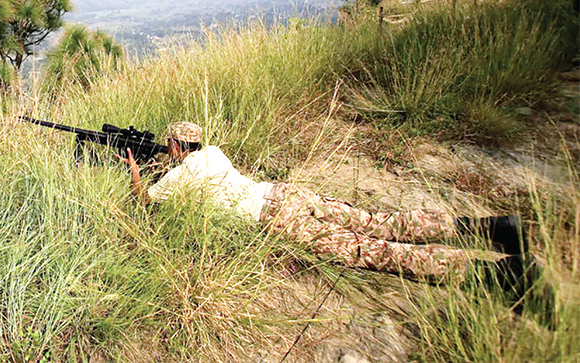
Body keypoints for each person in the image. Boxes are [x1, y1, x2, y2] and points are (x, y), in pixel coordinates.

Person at [120, 122, 553, 318]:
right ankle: (493, 228)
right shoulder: (212, 155)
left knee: (371, 251)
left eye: (170, 144)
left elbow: (144, 200)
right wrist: (167, 165)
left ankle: (502, 275)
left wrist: (136, 170)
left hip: (276, 218)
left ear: (176, 145)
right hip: (286, 192)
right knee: (379, 222)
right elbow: (190, 177)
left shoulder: (178, 175)